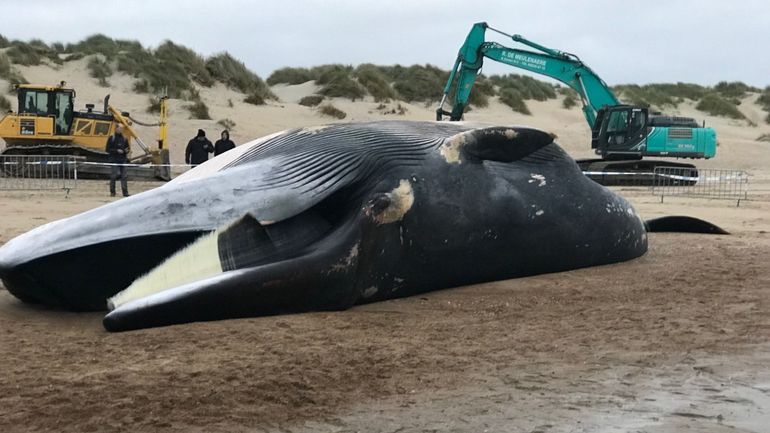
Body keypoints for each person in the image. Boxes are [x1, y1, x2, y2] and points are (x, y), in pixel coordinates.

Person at [106, 125, 130, 197]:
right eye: (119, 128)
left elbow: (128, 148)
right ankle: (112, 192)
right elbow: (107, 149)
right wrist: (116, 150)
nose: (121, 130)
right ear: (116, 129)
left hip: (123, 160)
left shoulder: (124, 139)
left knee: (124, 176)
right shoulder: (112, 138)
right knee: (113, 176)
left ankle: (125, 193)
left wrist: (126, 151)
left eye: (122, 129)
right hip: (114, 160)